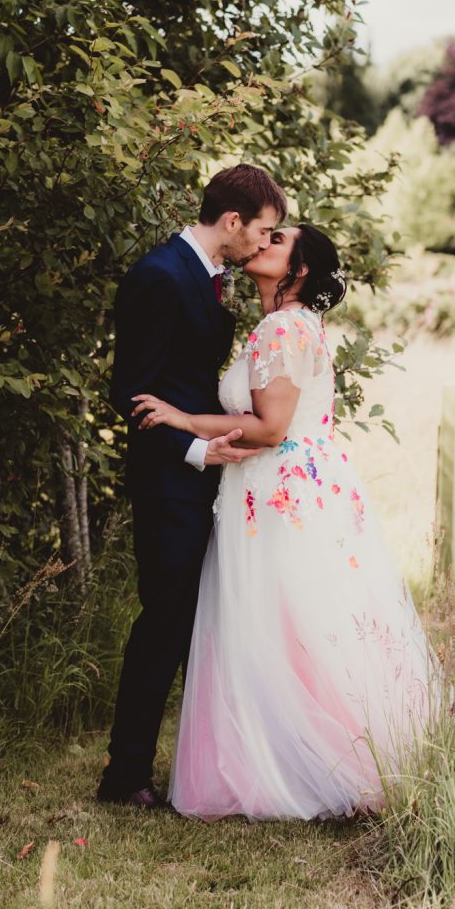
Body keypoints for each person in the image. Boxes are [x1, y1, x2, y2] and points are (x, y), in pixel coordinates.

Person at [132, 223, 443, 820]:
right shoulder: (297, 324)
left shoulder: (282, 326)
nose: (262, 242)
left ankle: (304, 765)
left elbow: (271, 428)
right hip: (295, 485)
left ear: (298, 270)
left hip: (278, 490)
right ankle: (303, 755)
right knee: (292, 623)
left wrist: (179, 417)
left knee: (277, 622)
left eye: (276, 240)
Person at [97, 165, 288, 808]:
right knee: (165, 621)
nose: (265, 244)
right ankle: (124, 778)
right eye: (262, 231)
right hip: (169, 478)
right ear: (232, 221)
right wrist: (195, 448)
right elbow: (130, 392)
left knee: (199, 621)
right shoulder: (159, 275)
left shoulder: (210, 277)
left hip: (208, 477)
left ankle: (212, 761)